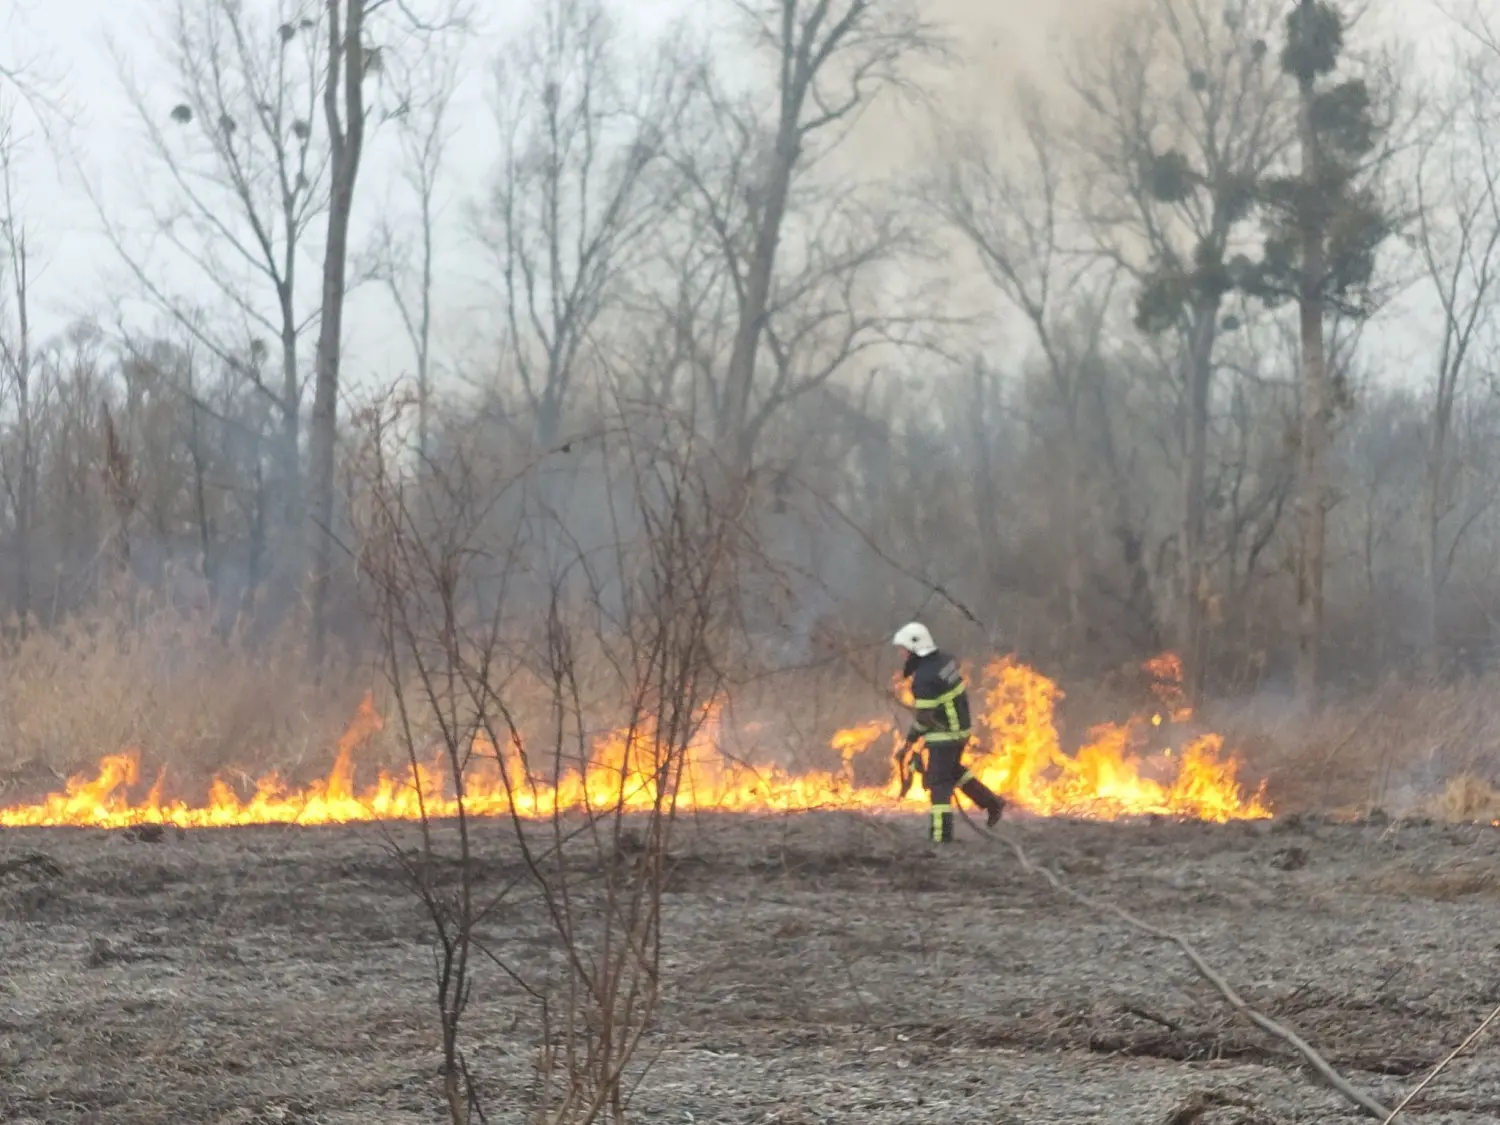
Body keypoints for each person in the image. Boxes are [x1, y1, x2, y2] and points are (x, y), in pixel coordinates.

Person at [891, 622, 1006, 842]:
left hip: (945, 734)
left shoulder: (924, 679)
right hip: (960, 728)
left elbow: (924, 720)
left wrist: (909, 741)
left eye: (904, 649)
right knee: (952, 770)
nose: (902, 654)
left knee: (938, 782)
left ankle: (940, 836)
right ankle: (992, 803)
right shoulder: (944, 661)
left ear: (916, 648)